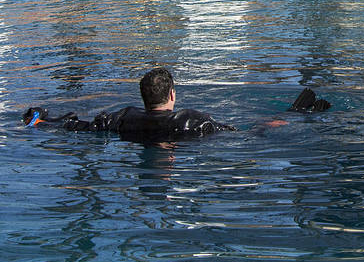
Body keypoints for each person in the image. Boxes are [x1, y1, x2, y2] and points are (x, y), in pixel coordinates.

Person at [21, 68, 330, 143]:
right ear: (172, 95)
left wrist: (40, 120)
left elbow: (76, 126)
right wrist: (268, 125)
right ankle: (300, 112)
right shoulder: (190, 121)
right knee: (283, 118)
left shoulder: (121, 119)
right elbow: (239, 135)